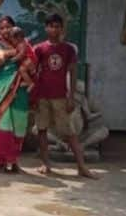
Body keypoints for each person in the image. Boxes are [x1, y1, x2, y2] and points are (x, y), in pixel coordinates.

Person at [33, 13, 97, 179]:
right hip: (42, 96)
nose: (54, 29)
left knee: (70, 132)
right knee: (41, 130)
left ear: (61, 28)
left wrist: (71, 97)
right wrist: (33, 96)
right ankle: (45, 163)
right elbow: (33, 71)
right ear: (46, 28)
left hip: (60, 97)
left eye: (57, 26)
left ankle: (81, 166)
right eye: (51, 26)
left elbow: (73, 72)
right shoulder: (39, 49)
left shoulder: (68, 49)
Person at [0, 16, 30, 173]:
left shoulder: (23, 43)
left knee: (19, 125)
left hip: (20, 89)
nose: (5, 30)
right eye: (2, 27)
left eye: (8, 27)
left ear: (14, 27)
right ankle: (1, 161)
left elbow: (31, 62)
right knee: (3, 125)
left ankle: (14, 160)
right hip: (3, 89)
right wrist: (9, 53)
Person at [8, 26, 37, 91]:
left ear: (18, 38)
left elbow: (21, 55)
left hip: (30, 61)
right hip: (28, 60)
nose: (12, 42)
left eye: (12, 40)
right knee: (20, 71)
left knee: (22, 70)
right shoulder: (23, 42)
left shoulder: (21, 44)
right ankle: (26, 81)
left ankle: (30, 83)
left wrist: (14, 59)